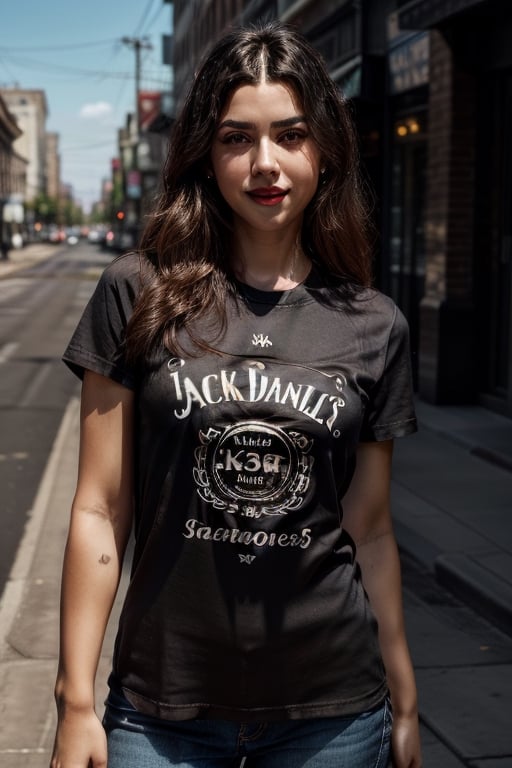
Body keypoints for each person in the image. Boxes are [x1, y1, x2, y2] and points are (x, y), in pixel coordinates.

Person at [50, 21, 422, 768]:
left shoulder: (373, 322)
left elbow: (371, 530)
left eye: (290, 135)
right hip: (162, 713)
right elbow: (99, 505)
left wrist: (406, 700)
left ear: (324, 149)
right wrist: (76, 699)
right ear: (204, 153)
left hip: (334, 713)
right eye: (235, 138)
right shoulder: (139, 292)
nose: (265, 163)